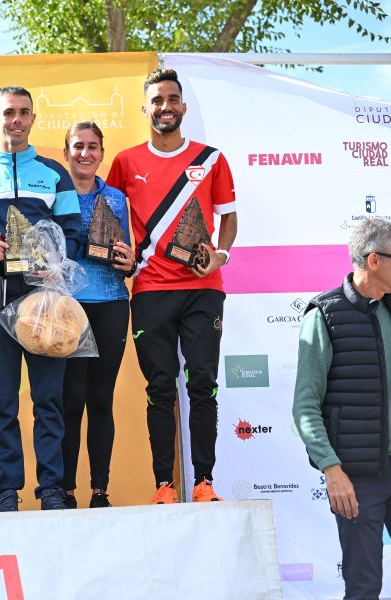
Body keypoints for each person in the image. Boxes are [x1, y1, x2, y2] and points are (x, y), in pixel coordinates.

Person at [106, 68, 238, 504]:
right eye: (157, 100)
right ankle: (164, 484)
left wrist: (220, 255)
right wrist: (118, 253)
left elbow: (229, 217)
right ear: (146, 109)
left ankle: (204, 482)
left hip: (203, 290)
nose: (165, 107)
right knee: (160, 387)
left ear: (183, 106)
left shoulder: (212, 158)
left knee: (202, 384)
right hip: (149, 290)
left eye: (172, 99)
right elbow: (104, 215)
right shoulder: (126, 161)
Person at [0, 86, 82, 512]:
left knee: (49, 400)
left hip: (46, 297)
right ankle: (7, 492)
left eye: (23, 113)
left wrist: (58, 260)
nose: (16, 119)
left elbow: (73, 230)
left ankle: (51, 489)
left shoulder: (54, 173)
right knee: (3, 401)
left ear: (33, 119)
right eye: (8, 113)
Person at [293, 219, 391, 600]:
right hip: (358, 478)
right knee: (364, 587)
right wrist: (332, 471)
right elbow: (305, 405)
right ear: (374, 261)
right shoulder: (324, 315)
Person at [60, 122, 134, 509]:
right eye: (77, 146)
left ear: (102, 153)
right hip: (70, 308)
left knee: (100, 399)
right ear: (66, 152)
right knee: (70, 400)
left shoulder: (118, 199)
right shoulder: (57, 197)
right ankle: (67, 490)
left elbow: (128, 252)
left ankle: (100, 491)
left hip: (111, 303)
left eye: (92, 147)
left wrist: (128, 263)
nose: (85, 153)